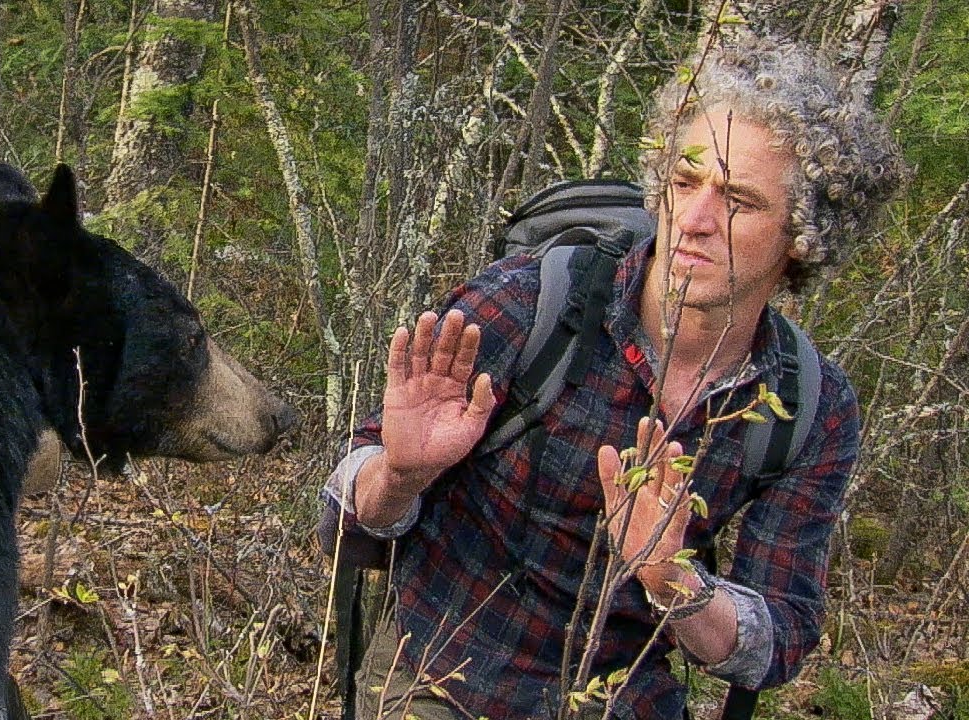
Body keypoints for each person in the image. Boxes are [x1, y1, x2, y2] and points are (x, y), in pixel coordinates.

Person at [321, 35, 903, 720]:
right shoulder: (529, 301)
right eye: (685, 183)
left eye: (739, 201)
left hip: (625, 703)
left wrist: (674, 582)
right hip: (439, 680)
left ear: (803, 235)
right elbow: (340, 523)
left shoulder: (809, 405)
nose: (695, 220)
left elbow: (778, 639)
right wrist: (399, 474)